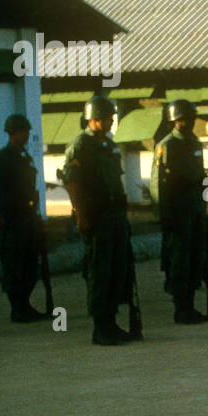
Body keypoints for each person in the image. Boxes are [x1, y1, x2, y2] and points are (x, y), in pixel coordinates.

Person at [61, 95, 137, 345]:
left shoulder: (109, 144)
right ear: (94, 118)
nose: (111, 121)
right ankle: (100, 326)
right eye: (107, 117)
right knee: (100, 271)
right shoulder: (81, 144)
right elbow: (73, 181)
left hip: (115, 215)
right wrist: (81, 215)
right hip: (97, 216)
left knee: (118, 270)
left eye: (112, 117)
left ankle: (112, 321)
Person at [0, 113, 47, 323]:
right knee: (14, 265)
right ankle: (17, 308)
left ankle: (25, 304)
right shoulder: (0, 158)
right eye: (25, 132)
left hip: (28, 217)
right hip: (11, 219)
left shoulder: (25, 156)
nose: (28, 135)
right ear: (14, 133)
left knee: (30, 264)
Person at [154, 99, 208, 323]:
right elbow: (159, 184)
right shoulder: (167, 146)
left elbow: (202, 177)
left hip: (195, 209)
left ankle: (190, 304)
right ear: (173, 122)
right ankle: (181, 307)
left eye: (190, 119)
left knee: (197, 257)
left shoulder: (195, 143)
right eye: (182, 120)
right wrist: (164, 216)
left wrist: (206, 204)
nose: (187, 123)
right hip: (177, 212)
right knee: (179, 260)